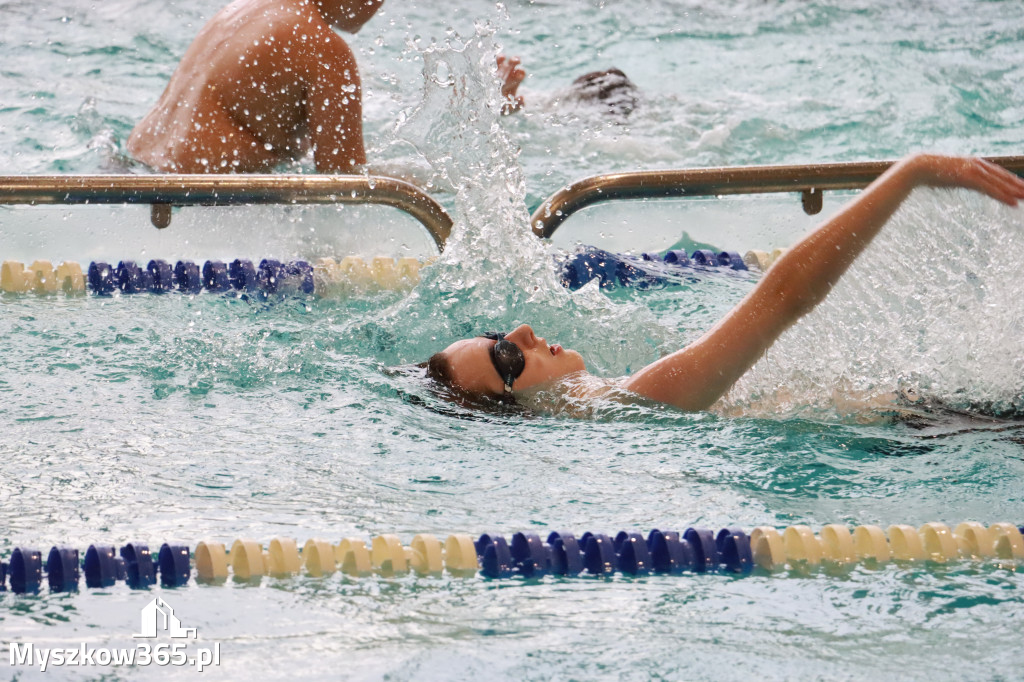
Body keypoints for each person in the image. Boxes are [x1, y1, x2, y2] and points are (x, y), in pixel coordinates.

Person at [425, 154, 1024, 412]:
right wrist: (910, 175)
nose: (524, 331)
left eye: (499, 333)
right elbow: (786, 299)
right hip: (945, 428)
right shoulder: (638, 399)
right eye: (506, 354)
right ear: (521, 408)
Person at [129, 0, 527, 173]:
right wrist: (470, 124)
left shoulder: (245, 11)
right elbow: (348, 186)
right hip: (197, 198)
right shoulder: (325, 50)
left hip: (132, 170)